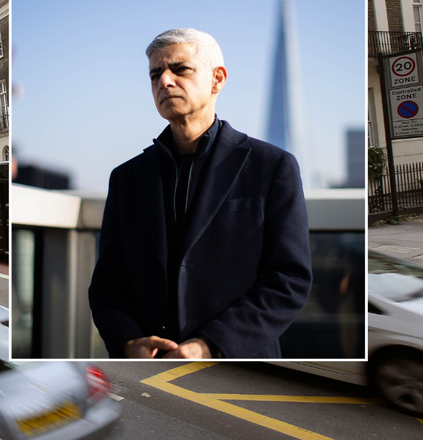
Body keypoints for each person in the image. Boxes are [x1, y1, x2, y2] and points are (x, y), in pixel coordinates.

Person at [89, 28, 312, 359]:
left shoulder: (272, 166)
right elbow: (108, 283)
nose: (164, 81)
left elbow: (288, 280)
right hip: (153, 369)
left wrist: (211, 344)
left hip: (242, 364)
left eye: (180, 69)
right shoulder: (126, 177)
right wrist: (128, 341)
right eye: (155, 75)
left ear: (217, 79)